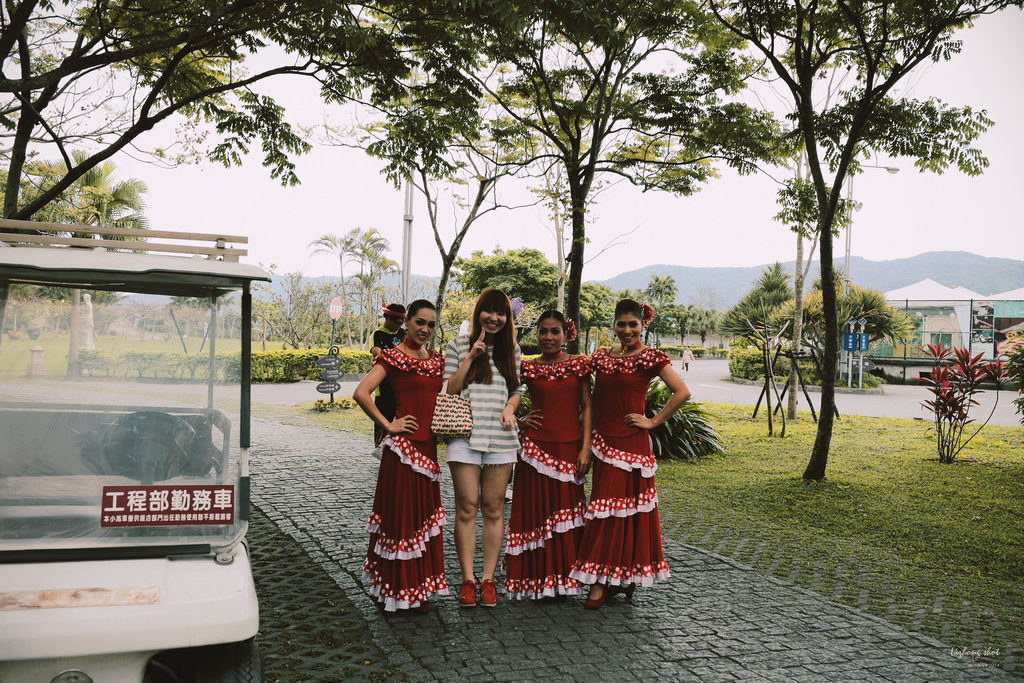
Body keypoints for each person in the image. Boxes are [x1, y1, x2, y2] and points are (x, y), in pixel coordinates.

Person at [570, 299, 691, 609]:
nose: (626, 330)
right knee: (607, 513)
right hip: (603, 443)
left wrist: (652, 422)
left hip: (632, 447)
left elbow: (682, 392)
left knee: (621, 514)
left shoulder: (650, 358)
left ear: (642, 325)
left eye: (632, 325)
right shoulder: (602, 358)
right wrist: (583, 441)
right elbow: (594, 402)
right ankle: (616, 580)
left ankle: (602, 583)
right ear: (614, 324)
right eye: (621, 324)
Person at [353, 300, 447, 613]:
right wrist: (388, 425)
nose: (425, 330)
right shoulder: (393, 357)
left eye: (431, 325)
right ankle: (395, 590)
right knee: (401, 521)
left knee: (420, 520)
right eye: (420, 322)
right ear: (407, 322)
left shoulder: (436, 360)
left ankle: (415, 589)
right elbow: (361, 393)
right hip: (404, 453)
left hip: (429, 451)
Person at [503, 311, 592, 600]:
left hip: (569, 451)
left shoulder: (579, 365)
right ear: (536, 334)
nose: (549, 337)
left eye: (555, 331)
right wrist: (521, 420)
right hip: (534, 453)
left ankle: (564, 579)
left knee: (564, 516)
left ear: (566, 335)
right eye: (543, 331)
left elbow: (587, 408)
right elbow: (509, 395)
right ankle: (533, 579)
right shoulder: (527, 368)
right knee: (535, 514)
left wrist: (585, 447)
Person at [443, 288, 522, 608]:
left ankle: (488, 579)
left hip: (501, 439)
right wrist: (472, 356)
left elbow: (517, 388)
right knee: (466, 508)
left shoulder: (511, 349)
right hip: (464, 437)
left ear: (507, 318)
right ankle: (467, 579)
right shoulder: (458, 344)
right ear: (478, 313)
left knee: (493, 508)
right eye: (488, 311)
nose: (494, 317)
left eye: (500, 312)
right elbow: (451, 387)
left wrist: (510, 409)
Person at [370, 302, 407, 446]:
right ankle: (380, 447)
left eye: (402, 323)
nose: (399, 326)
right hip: (384, 387)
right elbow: (376, 351)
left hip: (400, 386)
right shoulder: (378, 334)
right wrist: (394, 360)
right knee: (382, 420)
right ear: (388, 318)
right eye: (397, 322)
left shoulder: (402, 334)